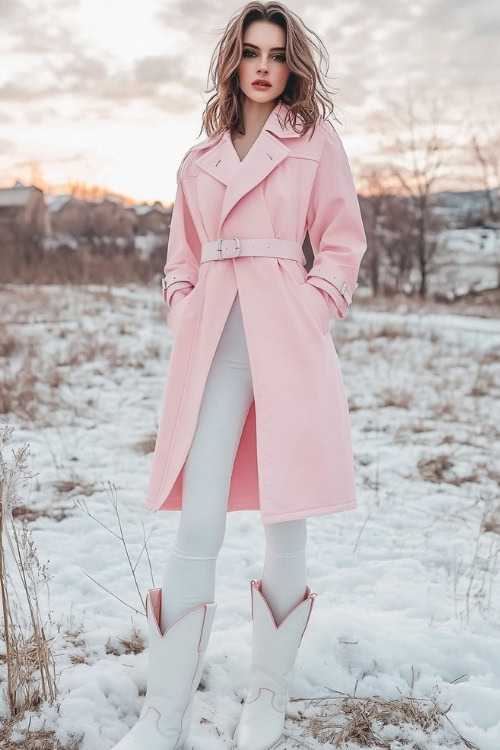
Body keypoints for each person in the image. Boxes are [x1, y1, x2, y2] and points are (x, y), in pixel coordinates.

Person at [112, 2, 367, 749]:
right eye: (251, 52)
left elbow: (343, 241)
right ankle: (163, 710)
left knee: (286, 516)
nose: (264, 66)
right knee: (200, 515)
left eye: (277, 54)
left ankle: (267, 694)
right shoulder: (198, 160)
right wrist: (182, 306)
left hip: (286, 331)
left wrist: (316, 305)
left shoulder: (315, 140)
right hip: (216, 332)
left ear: (292, 65)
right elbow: (179, 258)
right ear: (232, 61)